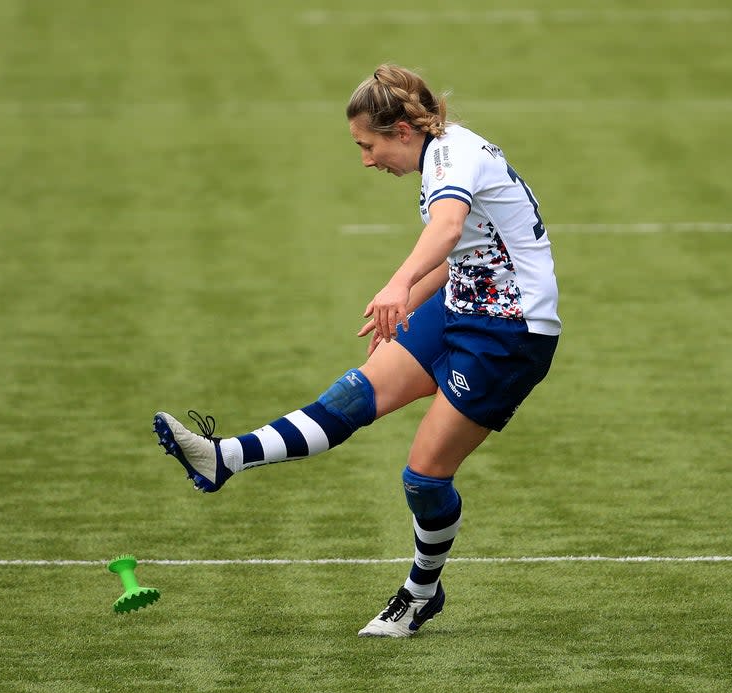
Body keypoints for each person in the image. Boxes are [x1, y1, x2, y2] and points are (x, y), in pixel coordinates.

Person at [153, 64, 561, 638]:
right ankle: (225, 459)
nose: (367, 160)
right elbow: (466, 252)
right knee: (354, 394)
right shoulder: (442, 155)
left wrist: (398, 284)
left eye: (367, 145)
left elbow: (446, 232)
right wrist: (408, 301)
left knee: (424, 478)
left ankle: (421, 594)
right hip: (459, 306)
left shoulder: (452, 158)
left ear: (401, 131)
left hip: (510, 333)